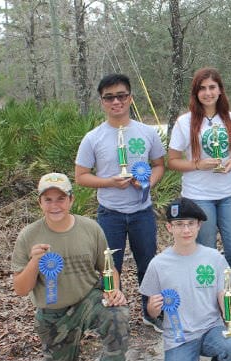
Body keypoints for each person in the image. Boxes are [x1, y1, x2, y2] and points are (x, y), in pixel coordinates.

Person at [12, 173, 130, 361]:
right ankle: (70, 347)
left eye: (61, 199)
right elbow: (20, 289)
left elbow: (108, 268)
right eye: (48, 200)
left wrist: (113, 290)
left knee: (117, 312)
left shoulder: (90, 228)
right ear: (40, 203)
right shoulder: (29, 236)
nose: (55, 205)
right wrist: (34, 261)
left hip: (88, 301)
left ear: (71, 200)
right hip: (53, 314)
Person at [75, 73, 166, 331]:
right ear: (102, 101)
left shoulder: (147, 132)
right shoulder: (93, 138)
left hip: (142, 212)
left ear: (131, 98)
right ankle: (115, 314)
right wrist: (109, 182)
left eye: (122, 96)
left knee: (148, 263)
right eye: (109, 97)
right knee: (109, 266)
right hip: (110, 213)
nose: (116, 102)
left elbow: (159, 165)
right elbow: (81, 177)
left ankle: (151, 312)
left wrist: (149, 182)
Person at [139, 197, 231, 361]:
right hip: (179, 337)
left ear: (199, 226)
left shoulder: (214, 257)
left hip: (210, 330)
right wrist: (153, 308)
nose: (185, 230)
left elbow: (223, 293)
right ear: (169, 227)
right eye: (179, 224)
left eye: (190, 224)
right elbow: (152, 312)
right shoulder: (158, 264)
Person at [168, 67, 231, 268]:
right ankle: (211, 290)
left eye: (212, 87)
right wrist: (197, 164)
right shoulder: (184, 122)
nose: (208, 93)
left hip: (229, 194)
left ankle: (227, 286)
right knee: (207, 249)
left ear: (220, 90)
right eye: (202, 88)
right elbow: (172, 161)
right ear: (195, 93)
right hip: (199, 195)